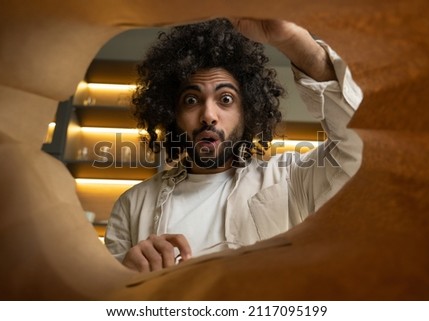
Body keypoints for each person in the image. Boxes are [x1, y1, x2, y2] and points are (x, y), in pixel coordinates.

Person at [104, 18, 363, 273]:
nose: (208, 115)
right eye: (192, 100)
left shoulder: (293, 179)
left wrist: (292, 40)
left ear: (247, 111)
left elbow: (363, 145)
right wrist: (124, 276)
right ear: (172, 114)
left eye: (225, 99)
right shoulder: (131, 205)